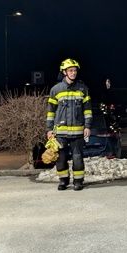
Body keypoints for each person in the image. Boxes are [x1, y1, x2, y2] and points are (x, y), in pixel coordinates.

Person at [46, 58, 92, 191]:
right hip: (60, 133)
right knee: (61, 158)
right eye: (70, 70)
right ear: (64, 72)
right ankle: (63, 181)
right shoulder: (56, 90)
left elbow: (87, 110)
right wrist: (49, 129)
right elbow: (50, 112)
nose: (73, 73)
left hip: (77, 132)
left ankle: (78, 181)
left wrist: (87, 126)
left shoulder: (83, 89)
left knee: (77, 158)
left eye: (75, 70)